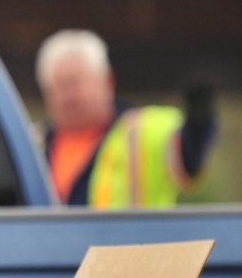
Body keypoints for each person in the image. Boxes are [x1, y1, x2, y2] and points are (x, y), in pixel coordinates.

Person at [35, 28, 216, 207]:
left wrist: (199, 125)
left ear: (107, 81)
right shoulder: (34, 142)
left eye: (74, 83)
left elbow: (188, 154)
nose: (66, 98)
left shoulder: (143, 130)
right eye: (55, 88)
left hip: (136, 237)